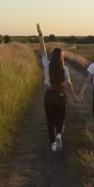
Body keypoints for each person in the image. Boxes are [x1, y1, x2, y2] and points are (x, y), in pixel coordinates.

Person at [36, 23, 78, 152]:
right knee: (61, 119)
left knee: (50, 121)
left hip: (49, 96)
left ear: (52, 57)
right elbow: (69, 84)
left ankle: (53, 144)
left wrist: (40, 34)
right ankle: (59, 134)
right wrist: (75, 96)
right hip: (60, 96)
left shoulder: (46, 64)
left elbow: (43, 50)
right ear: (61, 58)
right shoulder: (64, 69)